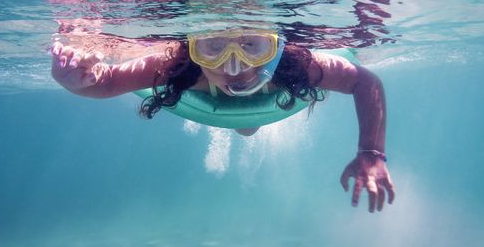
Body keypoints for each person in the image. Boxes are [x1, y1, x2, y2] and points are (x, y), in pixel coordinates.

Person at [51, 27, 395, 213]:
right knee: (246, 126)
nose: (235, 66)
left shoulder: (299, 64)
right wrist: (75, 79)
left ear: (276, 45)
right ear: (192, 50)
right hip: (212, 97)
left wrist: (372, 153)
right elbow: (107, 80)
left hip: (259, 99)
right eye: (213, 47)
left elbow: (365, 81)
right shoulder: (176, 66)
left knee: (246, 126)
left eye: (253, 45)